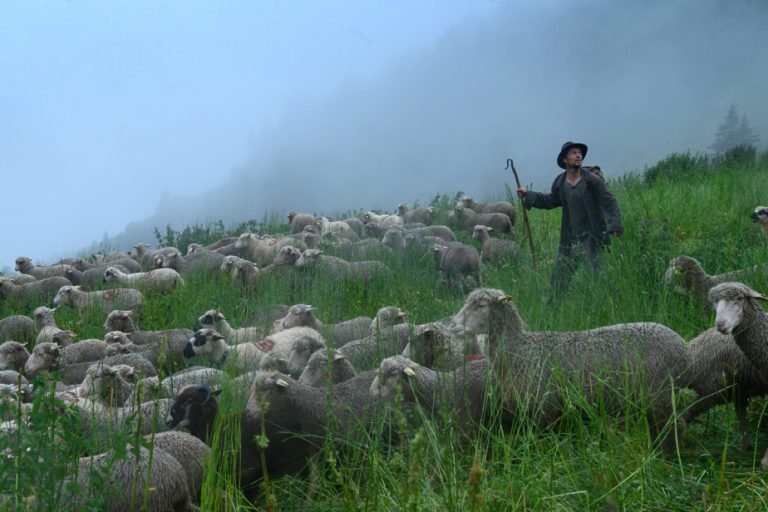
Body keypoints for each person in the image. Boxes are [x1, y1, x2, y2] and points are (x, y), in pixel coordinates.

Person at [516, 141, 623, 301]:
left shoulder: (592, 181)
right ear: (565, 159)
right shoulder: (560, 183)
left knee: (596, 278)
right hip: (569, 239)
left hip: (591, 238)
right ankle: (552, 310)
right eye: (573, 153)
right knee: (559, 278)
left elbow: (608, 200)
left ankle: (603, 306)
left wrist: (615, 224)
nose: (578, 155)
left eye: (579, 153)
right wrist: (528, 195)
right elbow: (551, 200)